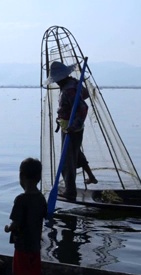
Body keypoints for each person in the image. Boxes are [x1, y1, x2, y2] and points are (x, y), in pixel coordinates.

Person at [46, 61, 98, 200]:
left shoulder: (69, 89)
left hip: (72, 127)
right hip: (69, 126)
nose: (56, 83)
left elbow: (83, 108)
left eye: (57, 80)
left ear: (61, 78)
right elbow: (85, 94)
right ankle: (91, 176)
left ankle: (70, 191)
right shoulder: (74, 83)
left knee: (67, 159)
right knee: (75, 152)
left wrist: (73, 126)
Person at [4, 157, 47, 275]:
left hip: (22, 248)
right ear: (39, 178)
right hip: (35, 247)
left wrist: (7, 228)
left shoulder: (21, 200)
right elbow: (45, 215)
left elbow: (15, 224)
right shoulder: (41, 199)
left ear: (21, 176)